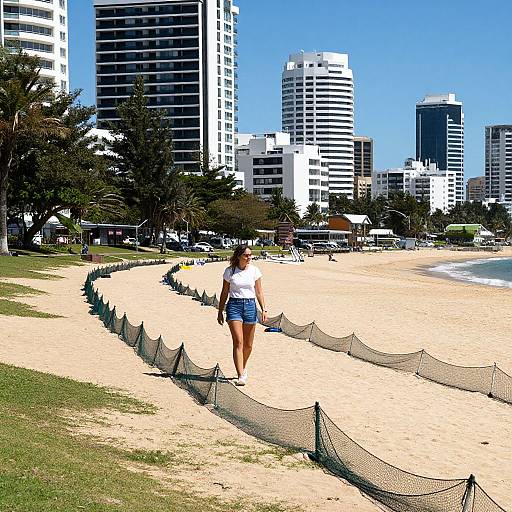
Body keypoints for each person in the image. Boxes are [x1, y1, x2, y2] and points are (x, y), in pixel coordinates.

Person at [217, 245, 267, 386]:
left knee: (248, 345)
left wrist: (264, 309)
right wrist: (220, 311)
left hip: (250, 306)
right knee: (238, 341)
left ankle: (243, 367)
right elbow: (224, 292)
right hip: (234, 306)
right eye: (246, 255)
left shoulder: (255, 271)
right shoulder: (230, 272)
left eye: (250, 255)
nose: (249, 257)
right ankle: (240, 375)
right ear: (239, 256)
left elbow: (259, 292)